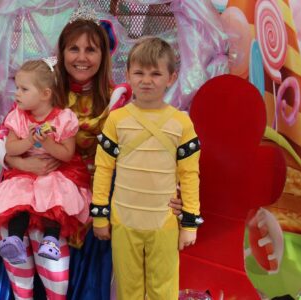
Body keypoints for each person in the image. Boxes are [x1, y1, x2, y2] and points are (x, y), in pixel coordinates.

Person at [0, 16, 185, 300]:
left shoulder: (120, 99)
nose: (82, 57)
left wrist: (171, 192)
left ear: (103, 55)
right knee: (16, 220)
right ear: (62, 52)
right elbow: (1, 137)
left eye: (91, 50)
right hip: (34, 186)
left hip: (96, 196)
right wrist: (19, 163)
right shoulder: (43, 91)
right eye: (73, 49)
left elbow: (150, 147)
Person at [92, 36, 203, 299]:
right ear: (128, 74)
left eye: (155, 73)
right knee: (127, 288)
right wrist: (99, 215)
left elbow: (190, 174)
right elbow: (104, 169)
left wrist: (190, 223)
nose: (146, 80)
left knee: (163, 289)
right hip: (123, 221)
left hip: (163, 223)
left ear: (171, 77)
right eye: (139, 72)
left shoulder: (182, 124)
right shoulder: (116, 120)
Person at [0, 58, 92, 265]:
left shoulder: (63, 118)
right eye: (17, 87)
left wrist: (47, 143)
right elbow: (10, 148)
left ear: (45, 94)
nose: (17, 93)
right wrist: (29, 140)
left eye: (24, 89)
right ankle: (14, 240)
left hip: (55, 171)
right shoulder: (17, 117)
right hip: (24, 173)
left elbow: (67, 154)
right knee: (18, 199)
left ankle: (51, 240)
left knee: (54, 197)